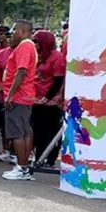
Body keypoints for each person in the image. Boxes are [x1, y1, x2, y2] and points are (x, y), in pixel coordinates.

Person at [1, 21, 38, 180]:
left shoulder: (24, 46)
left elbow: (21, 71)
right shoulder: (29, 46)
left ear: (22, 31)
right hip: (25, 96)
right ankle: (24, 167)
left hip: (18, 97)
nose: (12, 33)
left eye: (15, 30)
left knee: (17, 133)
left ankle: (22, 168)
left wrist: (10, 95)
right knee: (25, 132)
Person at [32, 29, 66, 167]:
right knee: (37, 131)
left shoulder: (57, 57)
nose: (34, 43)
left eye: (36, 41)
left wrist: (46, 98)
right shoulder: (37, 55)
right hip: (35, 99)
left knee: (50, 131)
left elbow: (58, 81)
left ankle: (50, 159)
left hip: (51, 101)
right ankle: (38, 158)